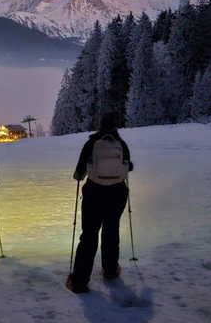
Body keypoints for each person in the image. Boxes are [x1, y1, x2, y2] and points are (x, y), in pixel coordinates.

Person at [66, 112, 133, 294]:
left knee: (89, 235)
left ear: (99, 125)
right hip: (117, 193)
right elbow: (130, 166)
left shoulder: (91, 143)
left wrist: (80, 175)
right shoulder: (121, 144)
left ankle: (79, 281)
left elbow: (79, 172)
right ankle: (110, 270)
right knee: (111, 230)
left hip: (94, 193)